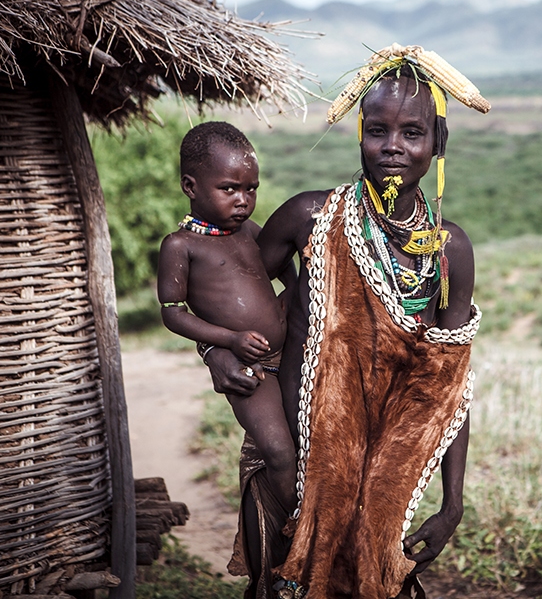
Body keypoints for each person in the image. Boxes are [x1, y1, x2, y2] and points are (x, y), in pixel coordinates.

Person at [205, 45, 490, 599]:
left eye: (412, 133)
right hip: (294, 469)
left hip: (383, 483)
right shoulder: (309, 218)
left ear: (438, 144)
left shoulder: (448, 250)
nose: (392, 147)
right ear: (359, 134)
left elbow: (450, 385)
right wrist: (216, 353)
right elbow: (230, 299)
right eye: (377, 130)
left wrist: (452, 504)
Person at [156, 122, 299, 576]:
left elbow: (286, 274)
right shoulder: (181, 246)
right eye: (230, 188)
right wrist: (228, 341)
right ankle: (295, 523)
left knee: (309, 443)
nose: (243, 200)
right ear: (190, 186)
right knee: (277, 450)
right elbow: (172, 312)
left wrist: (293, 300)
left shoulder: (250, 231)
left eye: (251, 189)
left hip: (289, 357)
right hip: (246, 369)